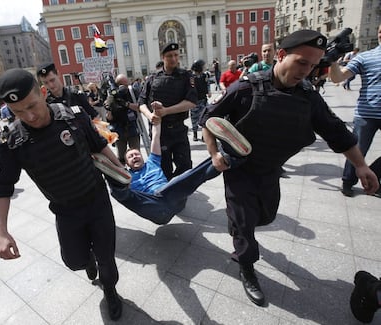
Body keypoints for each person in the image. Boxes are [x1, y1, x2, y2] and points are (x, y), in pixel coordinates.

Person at [199, 29, 379, 307]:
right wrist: (213, 154)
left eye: (313, 65)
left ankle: (240, 228)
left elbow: (337, 133)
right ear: (281, 55)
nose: (306, 72)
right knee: (245, 224)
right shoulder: (245, 88)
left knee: (266, 215)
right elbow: (209, 119)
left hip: (272, 169)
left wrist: (361, 166)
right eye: (301, 62)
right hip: (240, 170)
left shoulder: (308, 97)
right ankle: (246, 265)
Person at [0, 68, 130, 321]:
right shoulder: (11, 142)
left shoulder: (73, 116)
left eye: (32, 105)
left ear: (43, 93)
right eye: (19, 112)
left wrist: (120, 170)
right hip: (65, 210)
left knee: (107, 257)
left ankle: (110, 290)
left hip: (96, 200)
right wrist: (1, 231)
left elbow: (98, 145)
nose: (29, 115)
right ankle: (87, 261)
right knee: (75, 261)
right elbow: (1, 188)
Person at [109, 117, 251, 224]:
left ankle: (229, 155)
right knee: (121, 193)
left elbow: (155, 138)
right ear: (127, 163)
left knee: (188, 177)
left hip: (172, 197)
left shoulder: (152, 162)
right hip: (153, 209)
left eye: (136, 154)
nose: (134, 157)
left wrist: (156, 121)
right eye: (130, 157)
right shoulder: (127, 176)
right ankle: (114, 183)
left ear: (142, 156)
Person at [329, 24, 381, 197]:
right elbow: (338, 77)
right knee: (357, 150)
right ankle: (347, 181)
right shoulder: (365, 57)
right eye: (380, 31)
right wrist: (333, 60)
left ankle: (373, 172)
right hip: (367, 114)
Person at [138, 42, 197, 180]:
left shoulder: (187, 76)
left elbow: (191, 102)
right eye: (170, 56)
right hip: (159, 132)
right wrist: (149, 115)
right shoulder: (152, 78)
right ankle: (169, 194)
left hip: (178, 129)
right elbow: (141, 102)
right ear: (163, 57)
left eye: (176, 55)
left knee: (185, 166)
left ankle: (178, 191)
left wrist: (166, 111)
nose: (174, 59)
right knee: (163, 168)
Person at [105, 74, 141, 162]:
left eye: (126, 84)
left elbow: (139, 107)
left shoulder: (132, 92)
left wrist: (126, 104)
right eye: (122, 84)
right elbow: (109, 117)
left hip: (132, 127)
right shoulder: (112, 94)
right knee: (121, 156)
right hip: (119, 130)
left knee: (136, 154)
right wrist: (110, 105)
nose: (125, 87)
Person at [190, 59, 211, 141]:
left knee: (205, 117)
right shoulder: (191, 77)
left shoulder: (204, 76)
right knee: (194, 119)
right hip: (195, 101)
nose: (204, 67)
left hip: (203, 100)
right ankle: (195, 134)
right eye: (203, 66)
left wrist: (208, 91)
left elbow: (207, 84)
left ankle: (204, 135)